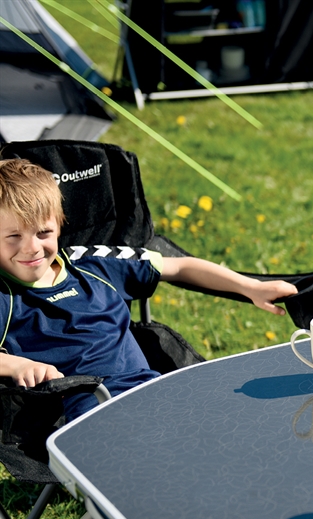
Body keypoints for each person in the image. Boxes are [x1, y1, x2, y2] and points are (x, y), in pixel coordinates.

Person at [0, 158, 297, 421]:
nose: (32, 247)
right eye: (14, 236)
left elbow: (181, 267)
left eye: (44, 232)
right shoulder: (4, 295)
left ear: (59, 225)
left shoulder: (91, 265)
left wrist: (251, 287)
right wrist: (16, 365)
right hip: (87, 416)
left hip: (153, 393)